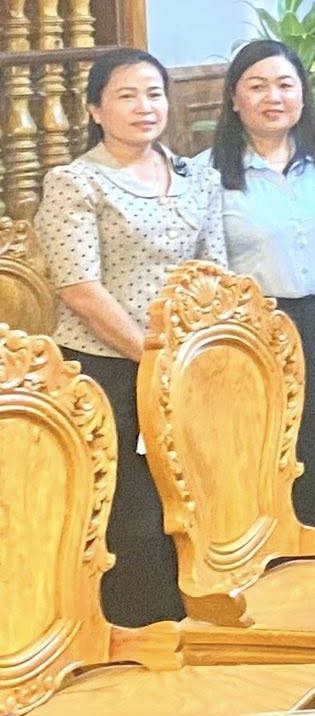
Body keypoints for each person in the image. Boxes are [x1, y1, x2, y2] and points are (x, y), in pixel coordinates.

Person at [38, 48, 226, 625]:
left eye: (154, 94)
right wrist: (152, 355)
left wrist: (200, 355)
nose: (145, 107)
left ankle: (197, 616)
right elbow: (80, 289)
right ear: (96, 110)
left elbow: (214, 272)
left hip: (186, 365)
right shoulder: (75, 182)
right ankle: (139, 631)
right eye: (126, 96)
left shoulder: (198, 177)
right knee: (132, 507)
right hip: (109, 369)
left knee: (191, 492)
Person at [202, 39, 315, 527]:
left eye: (284, 85)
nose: (273, 97)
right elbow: (204, 262)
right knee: (259, 444)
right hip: (251, 328)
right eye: (257, 86)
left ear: (302, 95)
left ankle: (305, 545)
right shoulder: (208, 174)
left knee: (314, 439)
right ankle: (258, 550)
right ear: (234, 99)